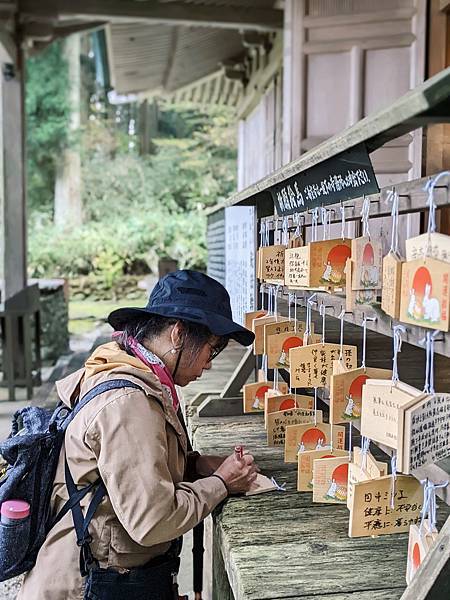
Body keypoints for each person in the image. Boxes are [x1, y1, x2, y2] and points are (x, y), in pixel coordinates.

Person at [19, 270, 258, 600]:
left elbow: (126, 469)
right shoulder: (129, 403)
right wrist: (220, 485)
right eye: (212, 349)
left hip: (92, 569)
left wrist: (195, 465)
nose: (209, 363)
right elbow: (153, 521)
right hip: (88, 584)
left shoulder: (123, 366)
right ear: (178, 334)